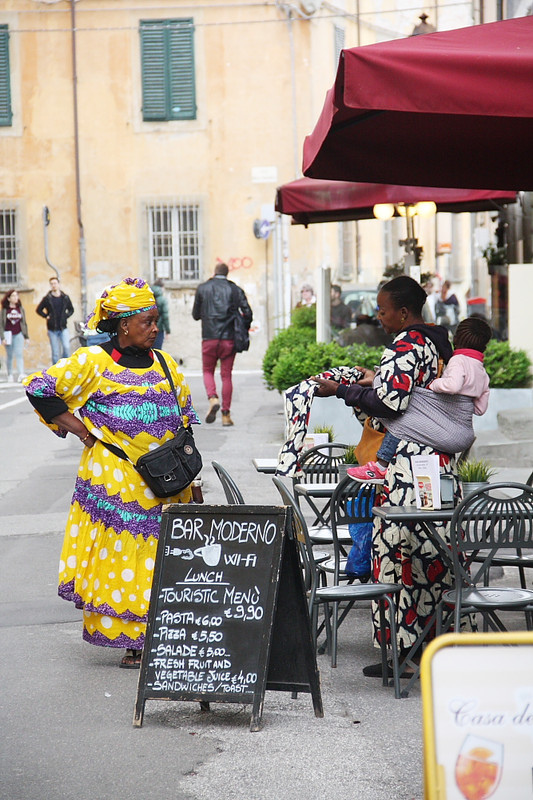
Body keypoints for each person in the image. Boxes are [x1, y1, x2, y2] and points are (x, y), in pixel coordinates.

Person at [23, 277, 200, 669]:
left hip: (169, 482)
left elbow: (186, 417)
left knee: (164, 556)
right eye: (148, 322)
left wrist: (193, 480)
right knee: (127, 557)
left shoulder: (166, 364)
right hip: (117, 480)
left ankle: (165, 631)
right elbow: (40, 388)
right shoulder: (93, 362)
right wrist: (80, 429)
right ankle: (135, 640)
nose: (156, 328)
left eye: (156, 321)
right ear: (122, 325)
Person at [312, 275, 459, 676]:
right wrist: (372, 379)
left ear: (404, 312)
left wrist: (339, 390)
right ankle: (438, 649)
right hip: (438, 463)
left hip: (408, 466)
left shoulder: (407, 343)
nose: (379, 316)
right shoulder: (435, 343)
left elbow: (389, 404)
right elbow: (410, 392)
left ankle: (402, 658)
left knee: (397, 555)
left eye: (382, 309)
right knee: (433, 555)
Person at [347, 316, 491, 482]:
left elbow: (453, 386)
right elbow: (480, 408)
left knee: (400, 419)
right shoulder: (481, 370)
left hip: (448, 431)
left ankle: (380, 466)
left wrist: (434, 385)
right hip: (464, 435)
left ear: (456, 339)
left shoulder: (459, 360)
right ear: (484, 346)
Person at [192, 262, 252, 427]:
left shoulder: (203, 288)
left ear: (214, 272)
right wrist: (242, 326)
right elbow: (248, 312)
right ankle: (226, 415)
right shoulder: (235, 289)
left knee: (207, 371)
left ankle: (213, 398)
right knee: (226, 375)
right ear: (227, 273)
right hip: (229, 339)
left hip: (209, 338)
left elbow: (195, 315)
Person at [36, 276, 75, 364]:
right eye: (52, 284)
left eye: (55, 283)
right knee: (55, 352)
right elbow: (39, 309)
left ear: (59, 284)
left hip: (63, 327)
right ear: (50, 285)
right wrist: (46, 316)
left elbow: (71, 309)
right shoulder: (47, 298)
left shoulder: (65, 297)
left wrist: (66, 316)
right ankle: (55, 371)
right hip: (52, 329)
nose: (54, 285)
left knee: (66, 347)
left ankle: (65, 367)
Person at [0, 289, 29, 382]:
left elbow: (24, 323)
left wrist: (26, 336)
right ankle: (10, 374)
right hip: (8, 334)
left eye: (16, 295)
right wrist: (2, 338)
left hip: (19, 334)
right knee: (10, 355)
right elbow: (1, 324)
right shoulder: (5, 310)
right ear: (8, 298)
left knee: (19, 354)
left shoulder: (20, 309)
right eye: (13, 296)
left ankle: (21, 373)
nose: (16, 297)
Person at [151, 278, 170, 349]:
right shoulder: (162, 299)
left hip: (147, 329)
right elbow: (165, 316)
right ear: (162, 287)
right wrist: (168, 331)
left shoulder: (148, 296)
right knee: (158, 352)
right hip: (159, 329)